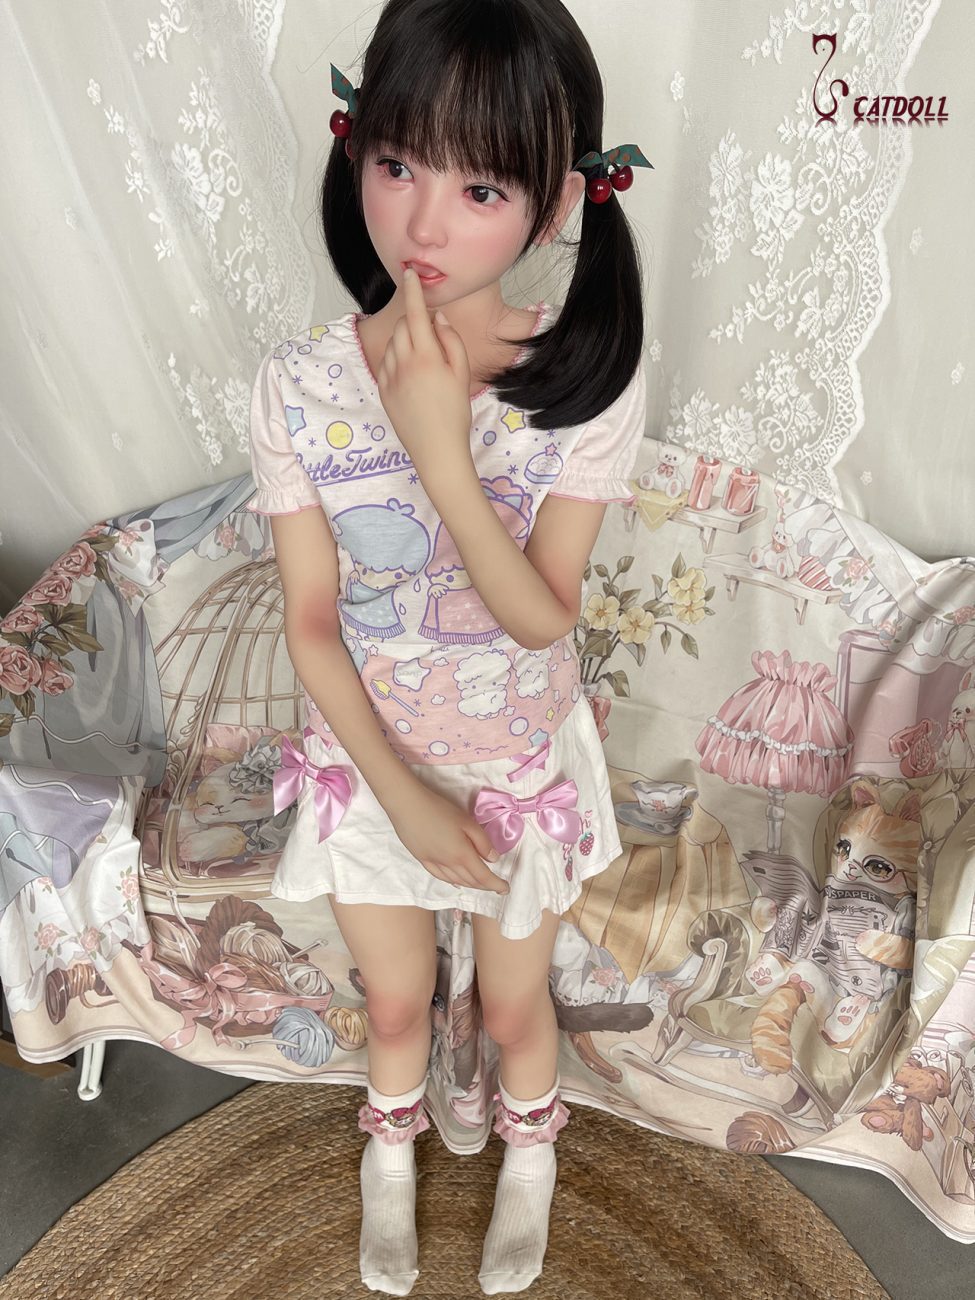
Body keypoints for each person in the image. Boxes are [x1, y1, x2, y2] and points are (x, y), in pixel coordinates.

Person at [245, 1, 650, 1292]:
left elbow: (543, 614)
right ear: (353, 146)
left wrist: (438, 449)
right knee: (394, 1002)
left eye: (479, 189)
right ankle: (391, 1152)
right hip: (372, 768)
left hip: (515, 764)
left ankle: (529, 1152)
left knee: (518, 1007)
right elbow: (313, 623)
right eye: (398, 164)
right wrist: (405, 798)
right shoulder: (299, 387)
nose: (423, 223)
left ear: (553, 203)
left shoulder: (580, 382)